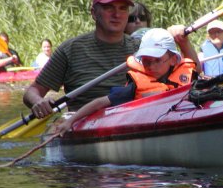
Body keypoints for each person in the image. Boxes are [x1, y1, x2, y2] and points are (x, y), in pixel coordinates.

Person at [23, 0, 200, 118]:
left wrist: (183, 43)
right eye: (109, 8)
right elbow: (31, 92)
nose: (117, 14)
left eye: (123, 9)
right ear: (94, 13)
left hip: (138, 117)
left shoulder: (143, 47)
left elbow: (194, 75)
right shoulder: (70, 49)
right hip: (87, 122)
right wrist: (39, 102)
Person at [55, 28, 198, 136]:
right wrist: (70, 121)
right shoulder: (135, 86)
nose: (152, 67)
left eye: (158, 60)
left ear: (173, 59)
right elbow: (100, 102)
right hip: (149, 128)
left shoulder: (188, 77)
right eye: (147, 62)